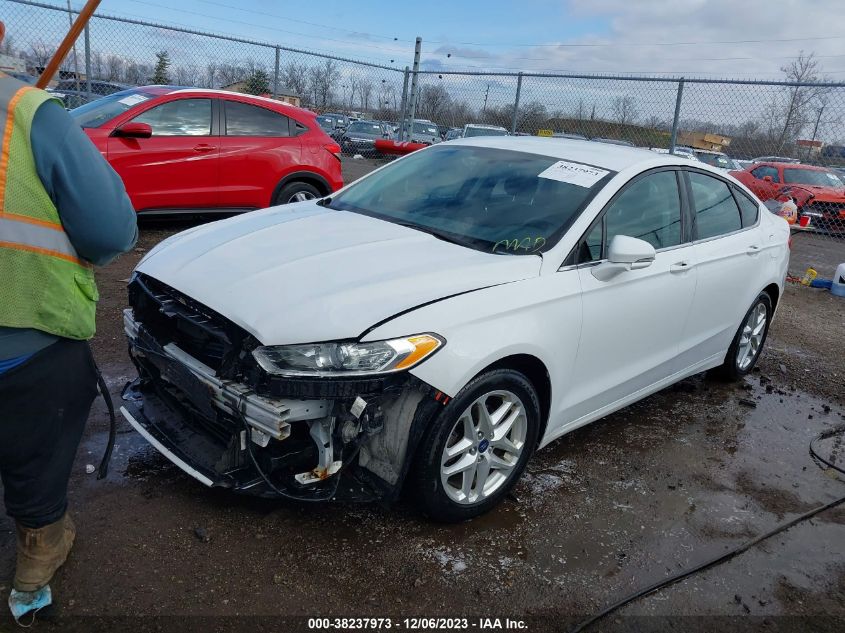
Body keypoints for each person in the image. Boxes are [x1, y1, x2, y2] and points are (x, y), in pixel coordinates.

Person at [0, 20, 137, 618]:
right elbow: (110, 232)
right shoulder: (28, 114)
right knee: (36, 453)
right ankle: (37, 556)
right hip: (24, 339)